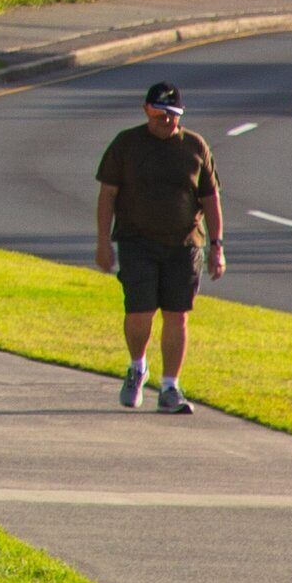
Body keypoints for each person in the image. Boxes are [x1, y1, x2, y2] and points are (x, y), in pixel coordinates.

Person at [95, 79, 225, 413]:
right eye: (158, 114)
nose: (164, 120)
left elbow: (210, 200)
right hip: (136, 240)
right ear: (146, 110)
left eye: (171, 115)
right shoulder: (126, 144)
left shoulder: (195, 147)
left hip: (184, 245)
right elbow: (107, 194)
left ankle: (170, 387)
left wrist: (216, 246)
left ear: (179, 115)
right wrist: (102, 242)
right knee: (139, 311)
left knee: (177, 315)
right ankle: (137, 366)